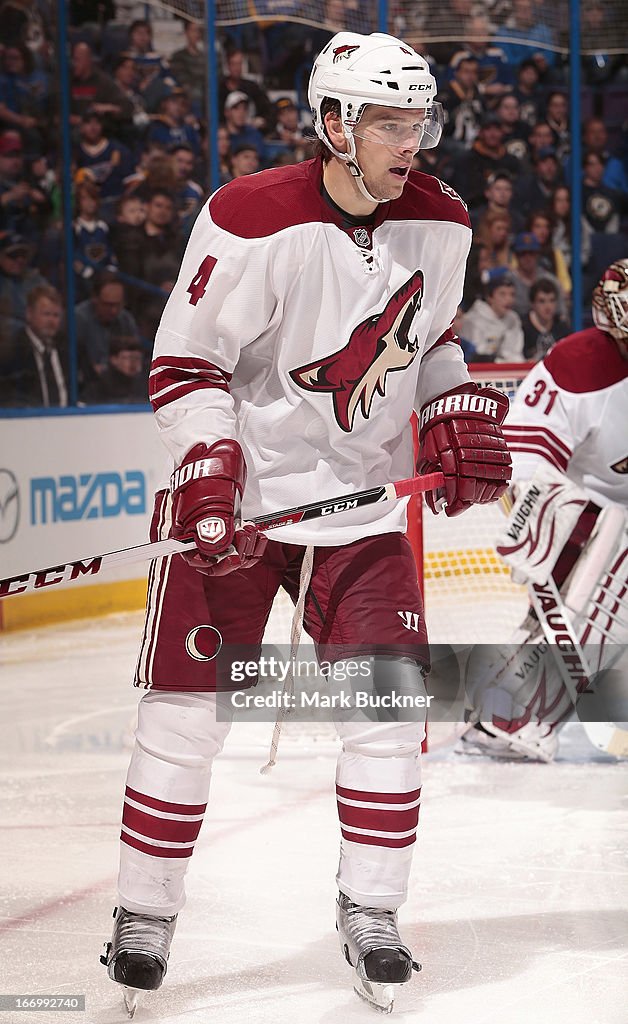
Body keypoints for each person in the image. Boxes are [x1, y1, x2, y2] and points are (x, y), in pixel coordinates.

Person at [100, 30, 512, 1014]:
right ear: (331, 123)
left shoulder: (443, 220)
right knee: (183, 718)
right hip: (235, 506)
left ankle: (370, 911)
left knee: (385, 717)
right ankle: (144, 912)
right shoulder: (246, 219)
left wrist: (453, 410)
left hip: (361, 509)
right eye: (386, 121)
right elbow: (185, 364)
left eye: (418, 119)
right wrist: (207, 464)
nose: (409, 139)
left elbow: (435, 339)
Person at [460, 260, 628, 762]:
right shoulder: (579, 366)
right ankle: (514, 716)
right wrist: (538, 519)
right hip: (588, 511)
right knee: (600, 592)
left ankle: (504, 711)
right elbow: (526, 462)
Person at [9, 283, 67, 406]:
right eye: (46, 314)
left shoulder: (70, 347)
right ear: (29, 314)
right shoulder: (12, 350)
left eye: (56, 315)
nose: (51, 321)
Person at [462, 269, 524, 362]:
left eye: (512, 294)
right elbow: (476, 357)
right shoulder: (473, 320)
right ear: (489, 297)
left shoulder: (513, 319)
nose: (509, 299)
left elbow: (514, 353)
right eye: (502, 294)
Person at [83, 332, 148, 404]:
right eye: (127, 358)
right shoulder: (100, 388)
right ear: (114, 360)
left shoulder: (146, 386)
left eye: (137, 358)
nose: (133, 363)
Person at [521, 277, 570, 361]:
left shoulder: (562, 327)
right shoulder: (522, 327)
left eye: (552, 300)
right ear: (532, 304)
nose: (548, 307)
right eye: (542, 301)